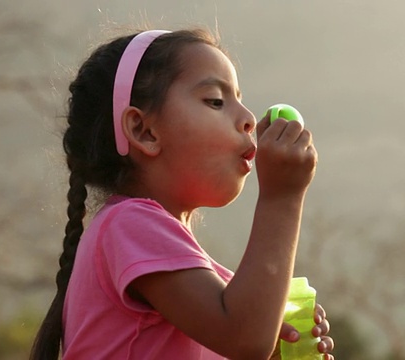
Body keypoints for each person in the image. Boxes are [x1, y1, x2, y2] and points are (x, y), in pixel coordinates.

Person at [30, 28, 334, 360]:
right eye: (216, 101)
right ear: (143, 131)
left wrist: (275, 346)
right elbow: (244, 338)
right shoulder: (128, 224)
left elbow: (245, 340)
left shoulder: (212, 287)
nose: (249, 119)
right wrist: (281, 199)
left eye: (240, 100)